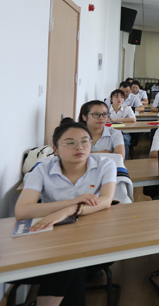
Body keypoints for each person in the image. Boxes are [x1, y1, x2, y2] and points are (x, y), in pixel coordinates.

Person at [16, 119, 117, 305]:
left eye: (85, 141)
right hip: (51, 241)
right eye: (70, 143)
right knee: (71, 263)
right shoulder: (42, 169)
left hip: (95, 240)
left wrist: (69, 210)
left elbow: (105, 201)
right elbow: (22, 211)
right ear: (55, 149)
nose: (79, 147)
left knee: (68, 261)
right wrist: (72, 202)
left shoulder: (105, 164)